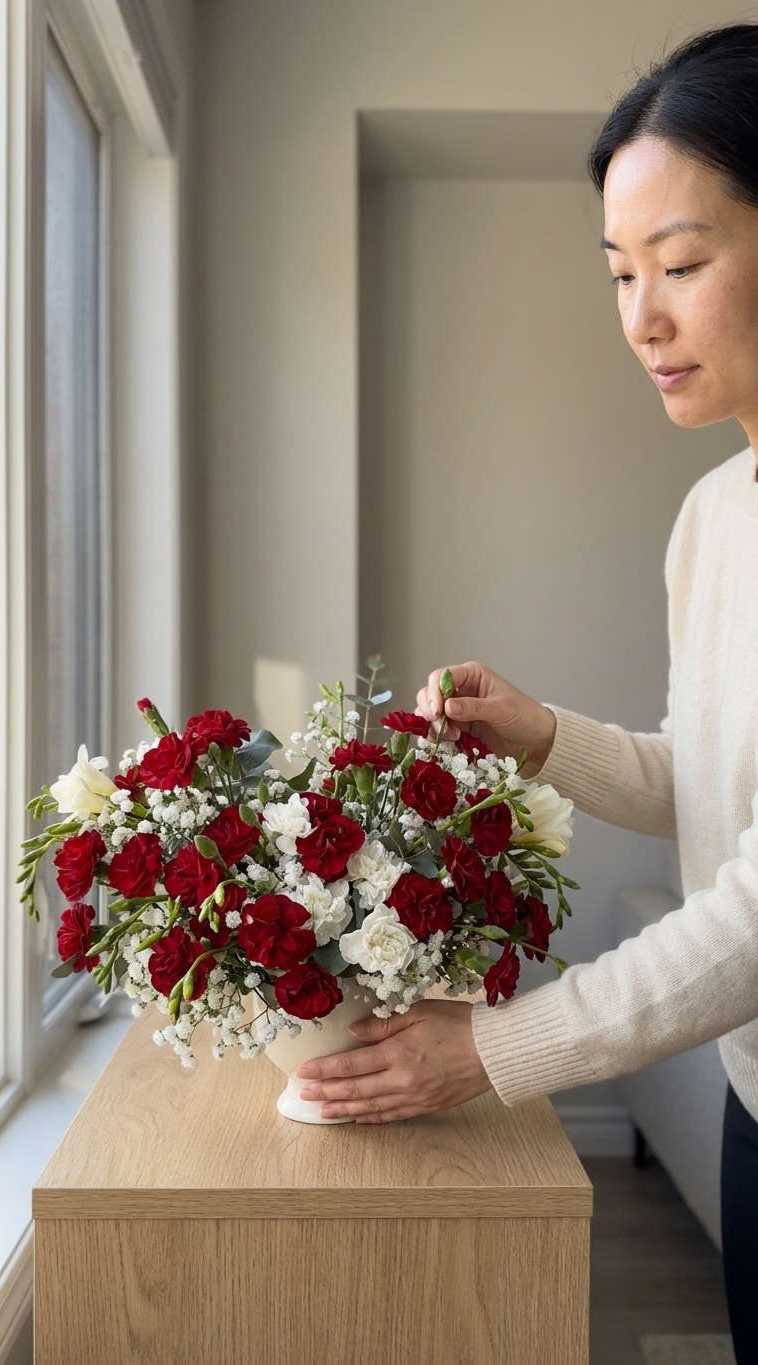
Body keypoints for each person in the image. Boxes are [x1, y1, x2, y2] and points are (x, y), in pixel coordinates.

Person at [296, 24, 758, 1361]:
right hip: (749, 1100)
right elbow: (711, 782)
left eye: (681, 264)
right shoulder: (713, 514)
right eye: (621, 274)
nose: (642, 318)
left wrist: (497, 1048)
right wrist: (546, 736)